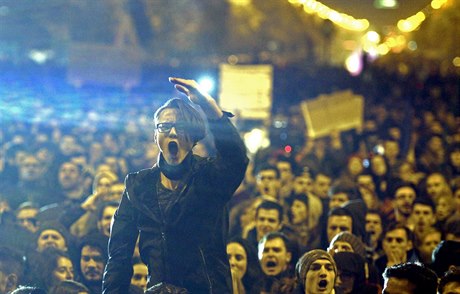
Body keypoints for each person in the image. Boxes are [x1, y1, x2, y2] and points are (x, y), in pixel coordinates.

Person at [102, 77, 248, 293]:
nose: (172, 132)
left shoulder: (211, 177)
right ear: (155, 136)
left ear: (194, 137)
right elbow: (119, 255)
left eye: (180, 127)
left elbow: (235, 158)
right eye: (165, 126)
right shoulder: (137, 186)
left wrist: (211, 110)